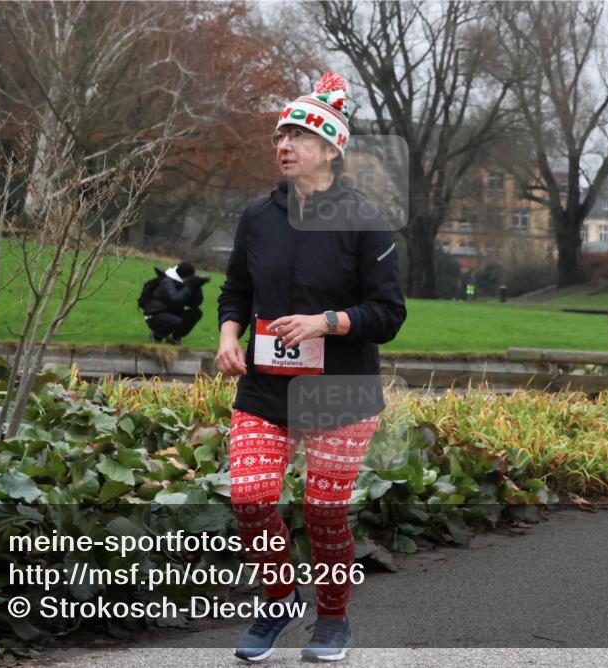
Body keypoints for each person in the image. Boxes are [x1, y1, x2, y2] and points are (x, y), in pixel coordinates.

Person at [216, 71, 406, 663]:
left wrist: (327, 322)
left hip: (339, 395)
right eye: (281, 134)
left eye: (299, 134)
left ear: (330, 148)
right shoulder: (258, 217)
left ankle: (332, 620)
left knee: (324, 512)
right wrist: (228, 335)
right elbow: (234, 292)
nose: (285, 144)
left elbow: (389, 312)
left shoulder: (364, 220)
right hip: (266, 390)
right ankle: (278, 600)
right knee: (250, 496)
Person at [141, 261, 208, 345]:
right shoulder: (167, 282)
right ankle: (157, 336)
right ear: (185, 277)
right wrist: (190, 286)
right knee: (176, 321)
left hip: (172, 313)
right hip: (155, 315)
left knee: (196, 312)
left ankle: (174, 337)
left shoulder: (183, 283)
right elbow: (175, 300)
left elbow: (195, 303)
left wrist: (197, 288)